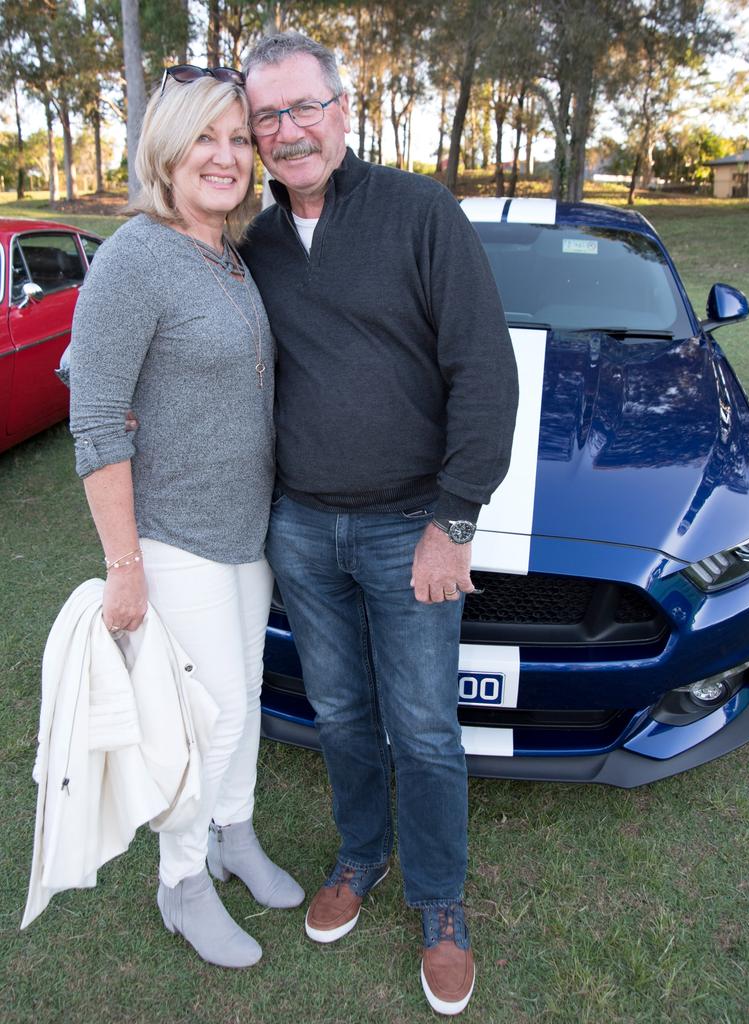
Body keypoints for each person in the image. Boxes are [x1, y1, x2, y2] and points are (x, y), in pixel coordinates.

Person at [240, 32, 518, 1016]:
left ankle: (441, 904)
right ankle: (362, 855)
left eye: (303, 106)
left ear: (342, 109)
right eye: (268, 115)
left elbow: (484, 369)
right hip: (303, 529)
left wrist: (455, 517)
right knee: (344, 715)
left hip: (411, 526)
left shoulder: (419, 212)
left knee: (427, 729)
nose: (288, 129)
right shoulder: (253, 239)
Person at [68, 65, 304, 970]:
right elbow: (94, 415)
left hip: (247, 531)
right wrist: (123, 564)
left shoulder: (228, 255)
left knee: (240, 704)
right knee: (200, 719)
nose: (227, 155)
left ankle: (233, 836)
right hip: (172, 537)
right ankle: (181, 880)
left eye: (239, 139)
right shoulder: (135, 255)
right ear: (166, 149)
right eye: (206, 136)